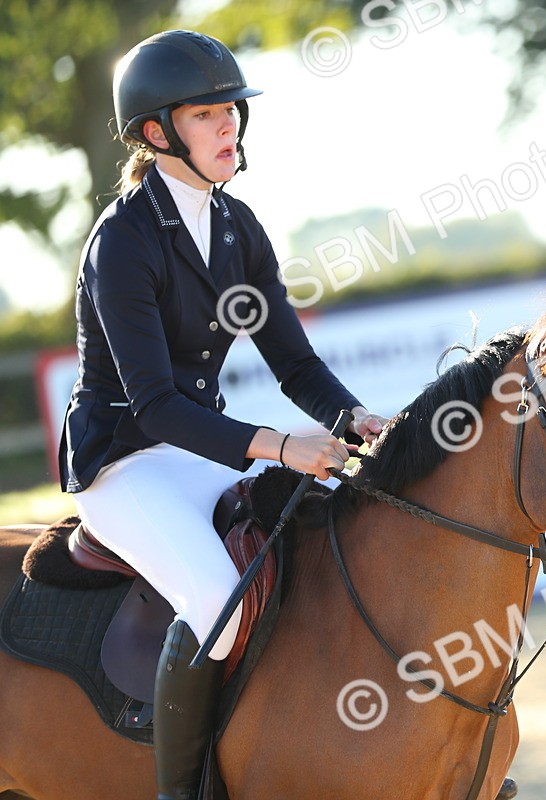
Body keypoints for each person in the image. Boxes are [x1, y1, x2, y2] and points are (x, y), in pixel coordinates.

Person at [58, 30, 388, 800]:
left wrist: (355, 418)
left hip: (196, 452)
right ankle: (183, 791)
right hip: (123, 463)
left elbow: (295, 364)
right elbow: (154, 407)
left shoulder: (237, 227)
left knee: (321, 552)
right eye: (206, 115)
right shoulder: (123, 242)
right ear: (156, 132)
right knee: (218, 599)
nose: (229, 125)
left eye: (232, 110)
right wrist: (279, 445)